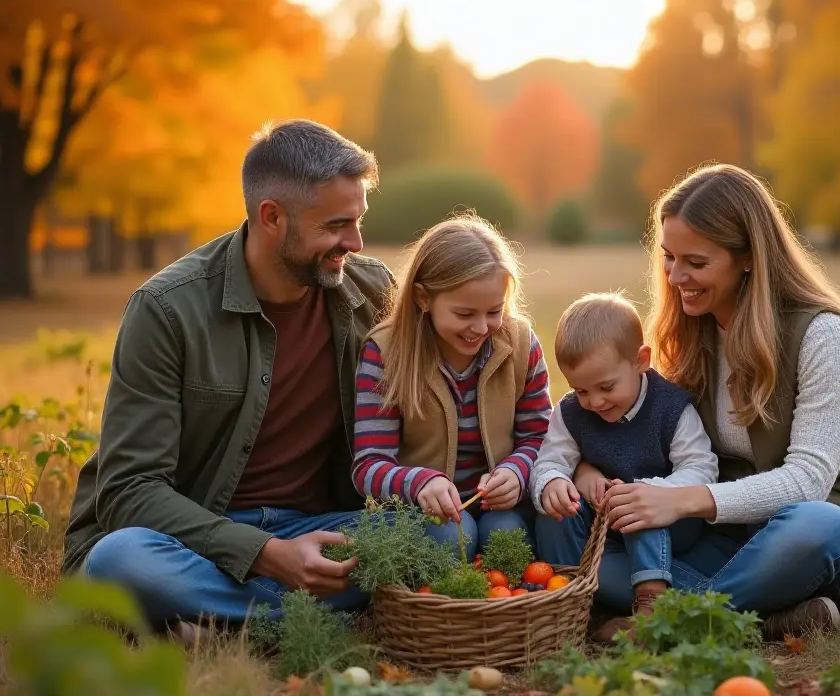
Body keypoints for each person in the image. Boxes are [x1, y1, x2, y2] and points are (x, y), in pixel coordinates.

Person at [537, 164, 840, 640]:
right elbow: (642, 438)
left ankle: (671, 624)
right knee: (579, 530)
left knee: (811, 524)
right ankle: (765, 619)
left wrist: (683, 500)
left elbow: (808, 483)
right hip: (728, 542)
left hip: (835, 535)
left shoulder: (822, 334)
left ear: (748, 259)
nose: (677, 277)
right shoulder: (689, 336)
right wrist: (583, 473)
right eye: (669, 258)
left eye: (696, 263)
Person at [62, 119, 394, 640]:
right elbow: (129, 489)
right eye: (335, 225)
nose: (353, 242)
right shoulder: (167, 309)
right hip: (186, 538)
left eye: (357, 222)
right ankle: (302, 617)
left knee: (448, 532)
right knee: (119, 560)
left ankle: (215, 624)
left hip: (316, 529)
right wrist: (264, 554)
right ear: (271, 217)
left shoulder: (372, 293)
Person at [352, 215, 551, 556]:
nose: (480, 327)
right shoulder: (386, 353)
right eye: (464, 314)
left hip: (499, 507)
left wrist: (516, 473)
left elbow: (541, 437)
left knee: (506, 533)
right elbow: (368, 466)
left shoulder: (520, 344)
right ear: (422, 298)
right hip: (423, 513)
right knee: (452, 537)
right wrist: (419, 483)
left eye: (494, 311)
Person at [532, 292, 718, 640]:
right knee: (553, 512)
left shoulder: (671, 409)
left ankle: (651, 606)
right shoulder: (572, 412)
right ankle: (567, 597)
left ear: (640, 361)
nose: (595, 401)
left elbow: (702, 469)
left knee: (636, 503)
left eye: (606, 387)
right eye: (581, 390)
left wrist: (653, 491)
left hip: (669, 529)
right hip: (608, 541)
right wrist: (553, 481)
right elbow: (551, 458)